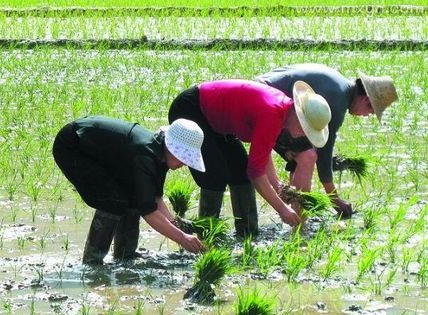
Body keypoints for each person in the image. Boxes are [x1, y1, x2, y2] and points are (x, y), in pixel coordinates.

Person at [168, 79, 331, 235]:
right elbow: (256, 173)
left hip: (219, 125)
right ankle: (207, 237)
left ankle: (247, 234)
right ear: (297, 113)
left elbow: (262, 154)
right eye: (304, 128)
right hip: (192, 109)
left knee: (240, 175)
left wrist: (277, 186)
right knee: (214, 176)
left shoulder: (282, 112)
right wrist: (282, 209)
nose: (304, 134)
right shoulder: (273, 114)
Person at [52, 116, 206, 265]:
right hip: (73, 146)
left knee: (133, 196)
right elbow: (149, 212)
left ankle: (125, 256)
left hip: (99, 152)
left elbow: (154, 198)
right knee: (113, 200)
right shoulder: (146, 156)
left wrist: (175, 224)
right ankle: (93, 262)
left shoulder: (160, 156)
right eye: (184, 157)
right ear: (172, 148)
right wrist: (182, 238)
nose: (185, 163)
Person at [256, 64, 398, 218]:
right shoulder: (337, 102)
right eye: (371, 111)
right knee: (307, 157)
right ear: (367, 100)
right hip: (264, 100)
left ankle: (294, 210)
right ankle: (299, 220)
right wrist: (336, 201)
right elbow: (323, 153)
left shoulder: (340, 86)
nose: (368, 115)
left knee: (303, 154)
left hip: (262, 91)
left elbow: (313, 145)